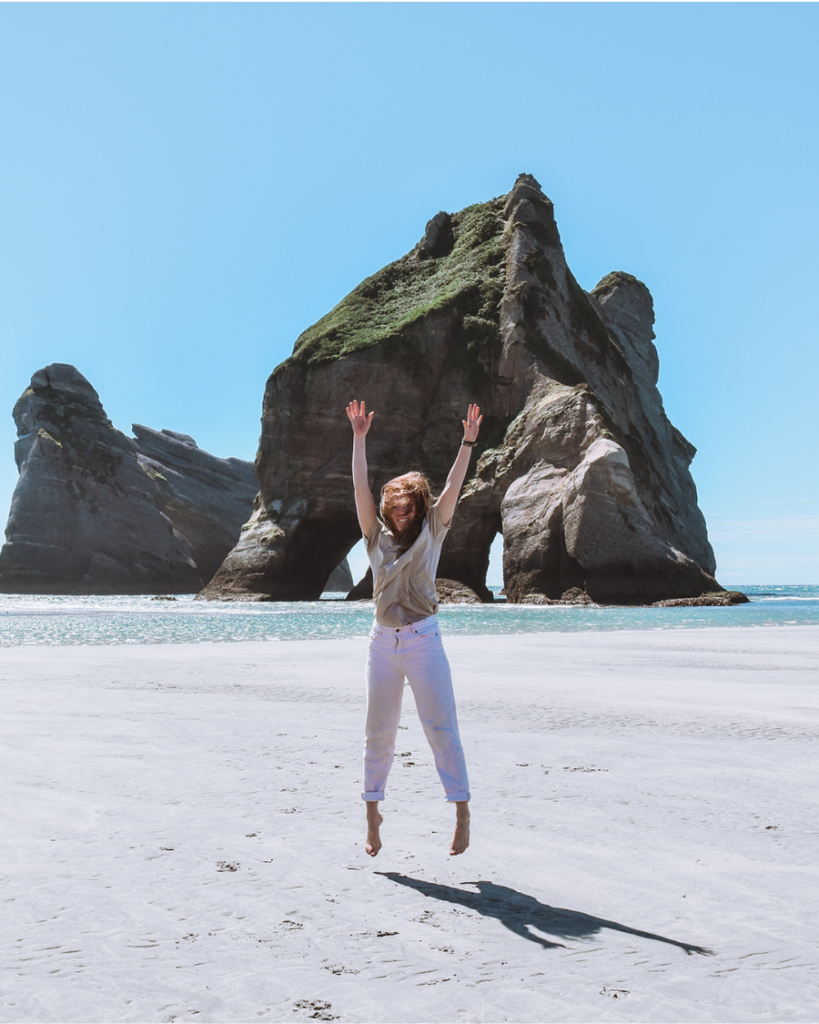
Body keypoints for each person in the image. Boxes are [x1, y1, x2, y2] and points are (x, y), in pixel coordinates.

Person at [345, 399, 482, 857]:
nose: (403, 514)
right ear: (388, 510)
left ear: (419, 507)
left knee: (441, 727)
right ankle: (372, 815)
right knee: (377, 732)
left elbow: (452, 486)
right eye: (396, 508)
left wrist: (467, 443)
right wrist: (359, 439)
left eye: (409, 507)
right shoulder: (375, 537)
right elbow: (361, 486)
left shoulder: (433, 530)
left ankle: (461, 811)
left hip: (424, 642)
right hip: (382, 645)